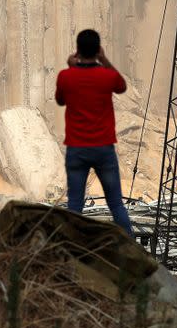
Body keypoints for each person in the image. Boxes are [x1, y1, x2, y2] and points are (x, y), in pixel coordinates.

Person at [55, 29, 133, 236]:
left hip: (77, 149)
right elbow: (122, 86)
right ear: (98, 50)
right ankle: (134, 249)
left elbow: (60, 100)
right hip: (103, 149)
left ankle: (71, 250)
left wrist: (71, 68)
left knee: (75, 205)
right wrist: (104, 59)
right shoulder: (106, 76)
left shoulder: (65, 76)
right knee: (116, 203)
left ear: (77, 50)